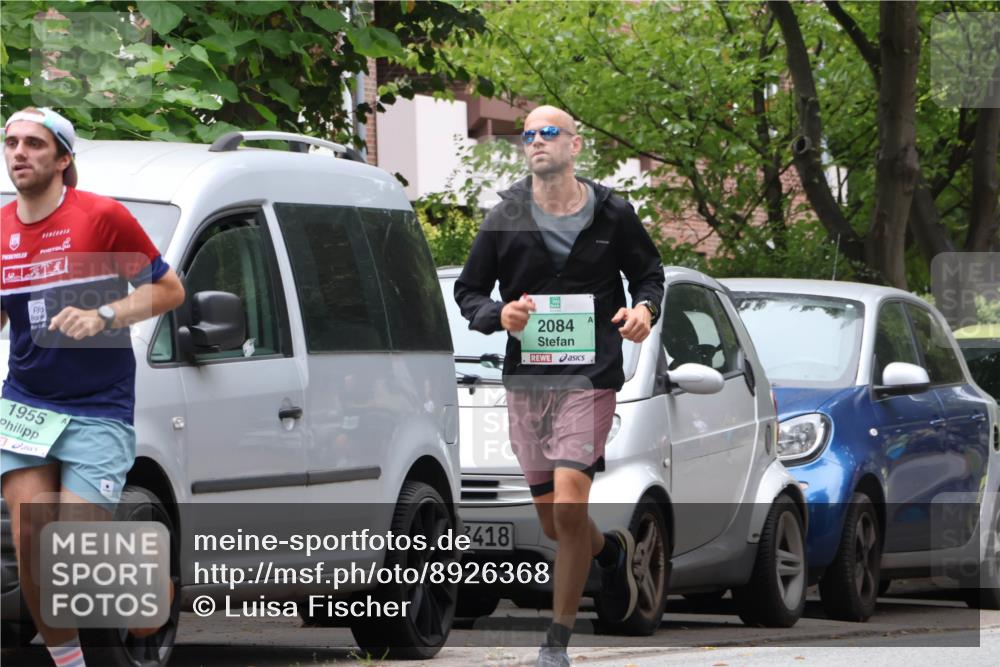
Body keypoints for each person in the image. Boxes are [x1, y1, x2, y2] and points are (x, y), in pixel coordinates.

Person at [454, 105, 664, 667]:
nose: (536, 141)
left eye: (548, 132)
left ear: (575, 144)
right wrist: (500, 316)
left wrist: (643, 308)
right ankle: (610, 552)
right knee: (554, 520)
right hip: (528, 382)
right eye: (527, 135)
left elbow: (648, 272)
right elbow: (469, 292)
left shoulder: (613, 213)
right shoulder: (505, 216)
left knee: (572, 503)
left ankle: (557, 640)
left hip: (590, 376)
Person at [0, 107, 185, 667]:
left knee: (76, 551)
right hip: (27, 402)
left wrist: (104, 313)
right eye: (10, 142)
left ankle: (153, 593)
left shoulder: (101, 217)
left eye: (33, 143)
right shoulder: (1, 229)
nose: (18, 153)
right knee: (33, 538)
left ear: (62, 158)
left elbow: (169, 291)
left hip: (97, 407)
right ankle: (68, 661)